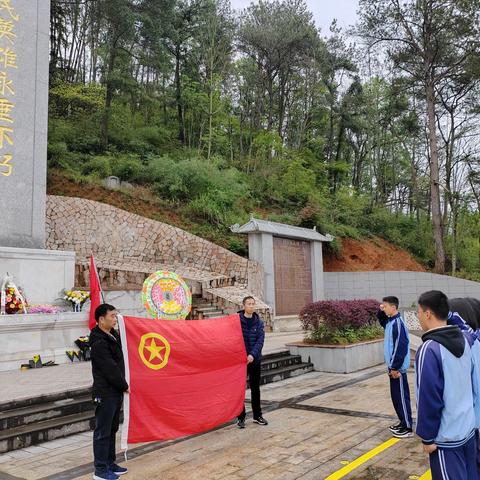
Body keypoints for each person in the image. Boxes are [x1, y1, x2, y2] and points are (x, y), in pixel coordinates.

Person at [416, 290, 478, 480]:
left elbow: (428, 397)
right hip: (468, 431)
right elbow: (468, 329)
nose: (417, 316)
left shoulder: (429, 349)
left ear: (427, 314)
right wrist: (448, 314)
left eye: (418, 311)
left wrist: (427, 437)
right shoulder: (465, 341)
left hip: (446, 439)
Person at [90, 304, 129, 480]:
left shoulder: (112, 335)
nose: (115, 319)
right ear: (101, 319)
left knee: (112, 428)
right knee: (102, 431)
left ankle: (109, 463)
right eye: (112, 316)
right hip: (105, 392)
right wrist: (124, 385)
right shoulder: (98, 341)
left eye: (116, 315)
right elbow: (109, 368)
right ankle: (100, 469)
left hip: (114, 391)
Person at [377, 296, 413, 438]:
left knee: (402, 398)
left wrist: (395, 368)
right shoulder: (390, 321)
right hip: (393, 367)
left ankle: (407, 427)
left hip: (398, 369)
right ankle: (402, 422)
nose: (383, 308)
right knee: (396, 397)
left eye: (385, 306)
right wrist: (380, 310)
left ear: (393, 307)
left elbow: (401, 347)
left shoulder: (398, 323)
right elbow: (381, 320)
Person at [237, 296, 268, 428]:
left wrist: (252, 355)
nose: (251, 306)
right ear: (244, 306)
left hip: (254, 361)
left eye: (252, 304)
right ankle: (241, 417)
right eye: (248, 304)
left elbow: (260, 341)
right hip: (240, 362)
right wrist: (243, 355)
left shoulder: (259, 323)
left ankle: (257, 415)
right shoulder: (236, 321)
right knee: (239, 390)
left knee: (255, 389)